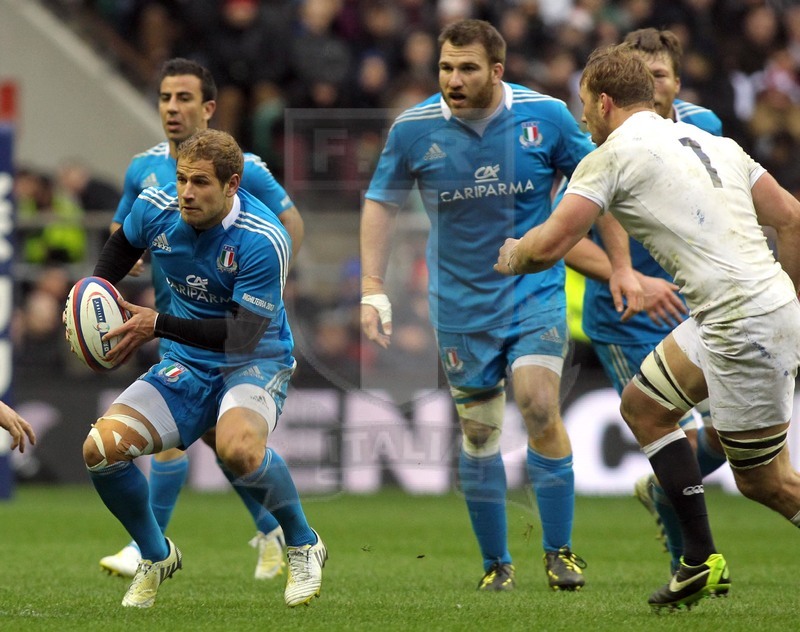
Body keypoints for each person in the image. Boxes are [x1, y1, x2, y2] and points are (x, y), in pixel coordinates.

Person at [495, 44, 800, 611]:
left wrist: (514, 253)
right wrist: (789, 301)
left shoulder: (610, 156)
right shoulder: (715, 142)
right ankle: (698, 558)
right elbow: (792, 218)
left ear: (605, 102)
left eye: (584, 104)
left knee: (768, 483)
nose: (581, 116)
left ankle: (698, 556)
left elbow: (554, 243)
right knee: (643, 406)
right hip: (737, 312)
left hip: (741, 322)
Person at [362, 18, 605, 593]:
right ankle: (498, 563)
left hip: (532, 292)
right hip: (460, 305)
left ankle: (560, 552)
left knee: (540, 405)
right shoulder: (413, 129)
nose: (453, 78)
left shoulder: (545, 117)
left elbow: (597, 182)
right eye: (446, 67)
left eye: (467, 67)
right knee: (478, 432)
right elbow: (380, 204)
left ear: (497, 70)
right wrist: (373, 285)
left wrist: (617, 263)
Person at [83, 128, 326, 609]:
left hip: (254, 361)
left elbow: (242, 334)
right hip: (186, 361)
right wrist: (90, 299)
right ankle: (156, 556)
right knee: (100, 450)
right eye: (181, 180)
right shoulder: (157, 206)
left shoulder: (262, 239)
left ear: (232, 184)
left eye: (200, 183)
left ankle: (302, 543)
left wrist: (158, 324)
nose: (186, 193)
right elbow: (119, 249)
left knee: (238, 448)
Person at [566, 27, 730, 574]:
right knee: (670, 432)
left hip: (697, 309)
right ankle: (693, 558)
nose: (649, 85)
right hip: (627, 316)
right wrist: (627, 274)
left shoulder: (705, 127)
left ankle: (665, 497)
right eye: (639, 75)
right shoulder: (593, 140)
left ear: (676, 82)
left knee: (730, 432)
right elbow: (561, 238)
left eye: (658, 75)